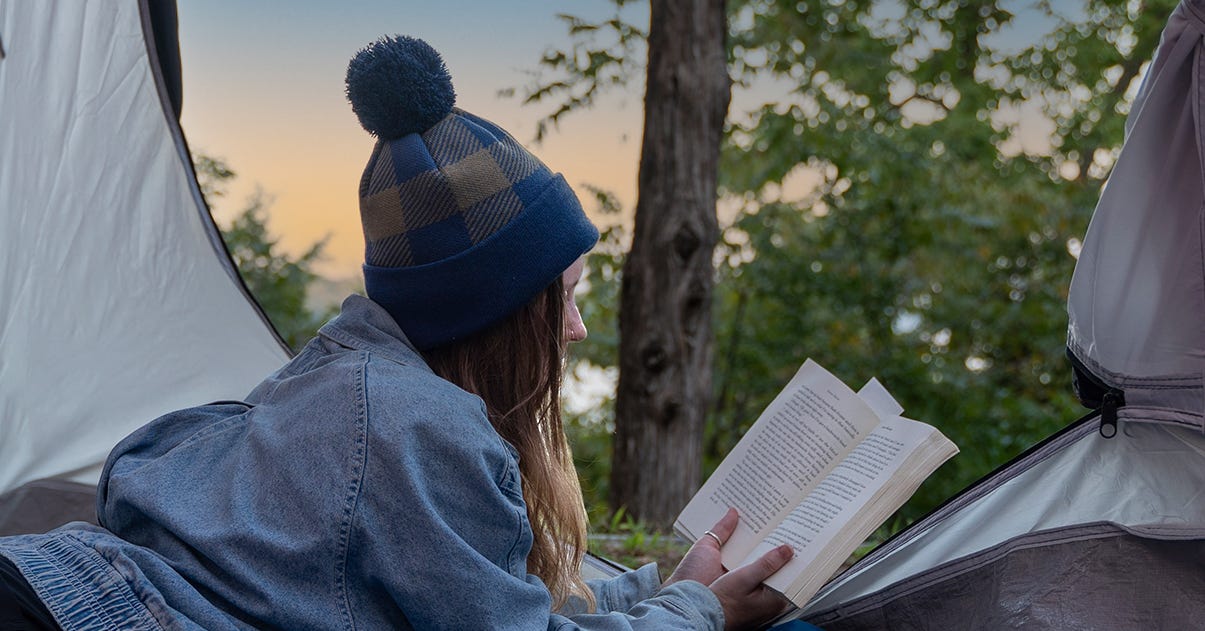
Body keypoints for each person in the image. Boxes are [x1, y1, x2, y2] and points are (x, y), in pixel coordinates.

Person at [0, 35, 796, 629]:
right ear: (499, 310)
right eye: (564, 299)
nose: (578, 328)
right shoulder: (421, 427)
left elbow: (490, 595)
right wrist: (703, 615)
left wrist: (662, 585)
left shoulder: (349, 374)